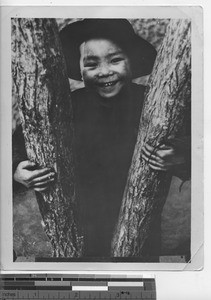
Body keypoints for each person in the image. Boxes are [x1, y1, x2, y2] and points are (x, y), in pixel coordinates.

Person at [13, 19, 190, 259]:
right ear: (80, 69)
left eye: (115, 60)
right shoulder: (65, 106)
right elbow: (14, 146)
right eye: (91, 64)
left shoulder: (157, 105)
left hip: (141, 232)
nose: (105, 71)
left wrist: (179, 157)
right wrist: (16, 169)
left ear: (131, 61)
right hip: (76, 230)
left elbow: (199, 146)